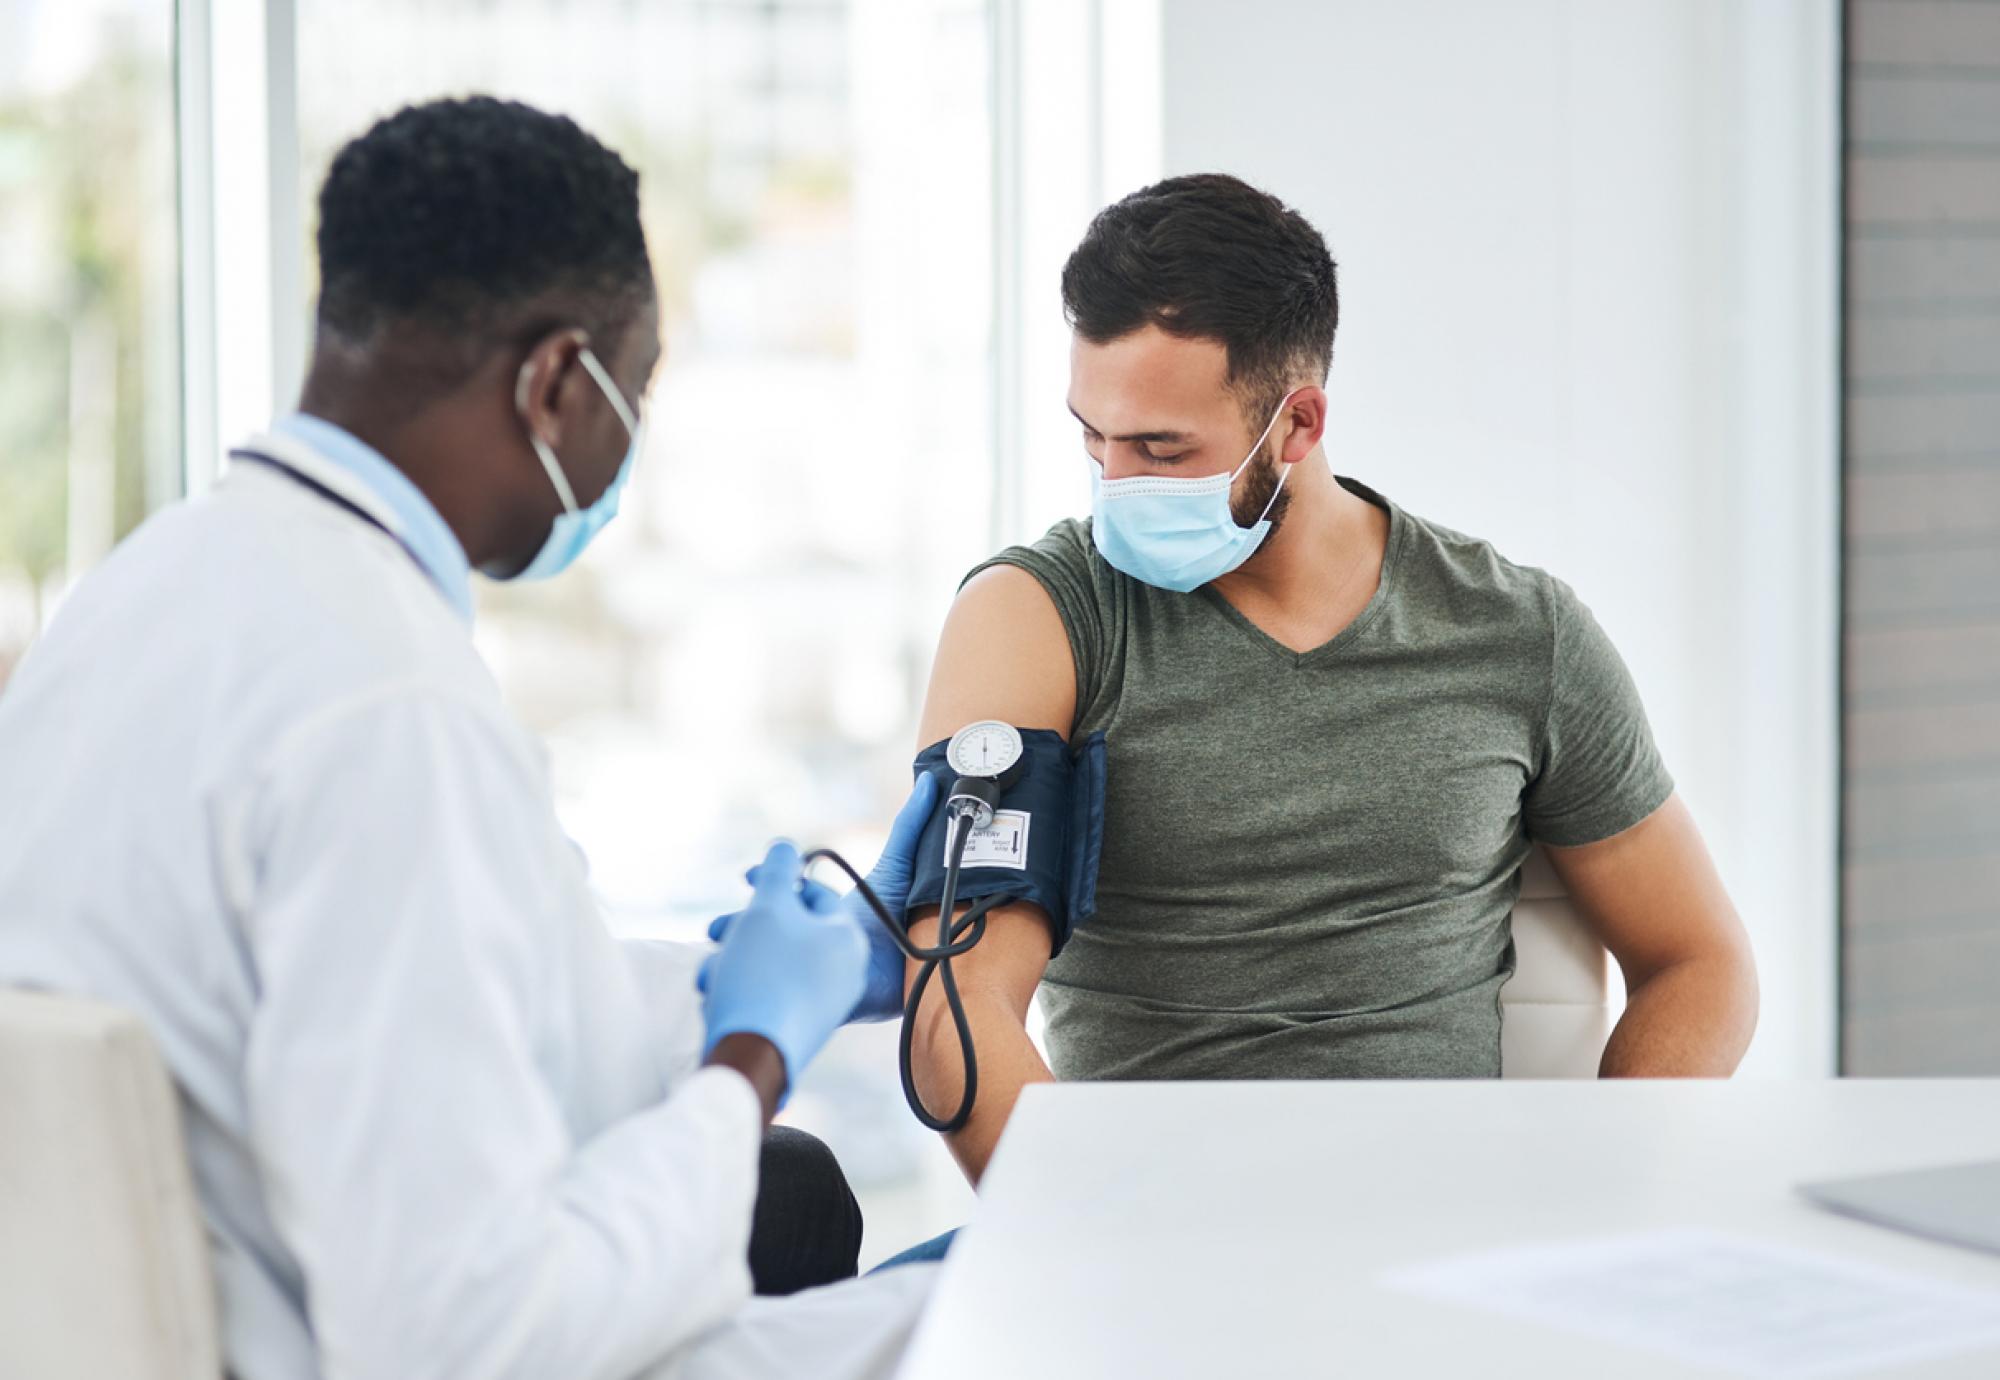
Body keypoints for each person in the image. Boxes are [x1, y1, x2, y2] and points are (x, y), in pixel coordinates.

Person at [0, 96, 937, 1379]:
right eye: (637, 388)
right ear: (556, 382)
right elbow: (466, 1335)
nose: (628, 443)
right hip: (396, 1343)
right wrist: (753, 1054)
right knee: (1019, 1305)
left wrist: (779, 983)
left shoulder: (154, 589)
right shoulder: (390, 711)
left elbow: (437, 992)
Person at [905, 173, 1762, 1188]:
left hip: (1444, 1230)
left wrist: (1593, 1187)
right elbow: (951, 1009)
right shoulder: (1040, 617)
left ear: (1298, 424)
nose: (1114, 484)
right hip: (1146, 1235)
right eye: (1092, 437)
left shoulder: (1517, 634)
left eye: (1161, 448)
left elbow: (1698, 963)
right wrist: (1089, 1237)